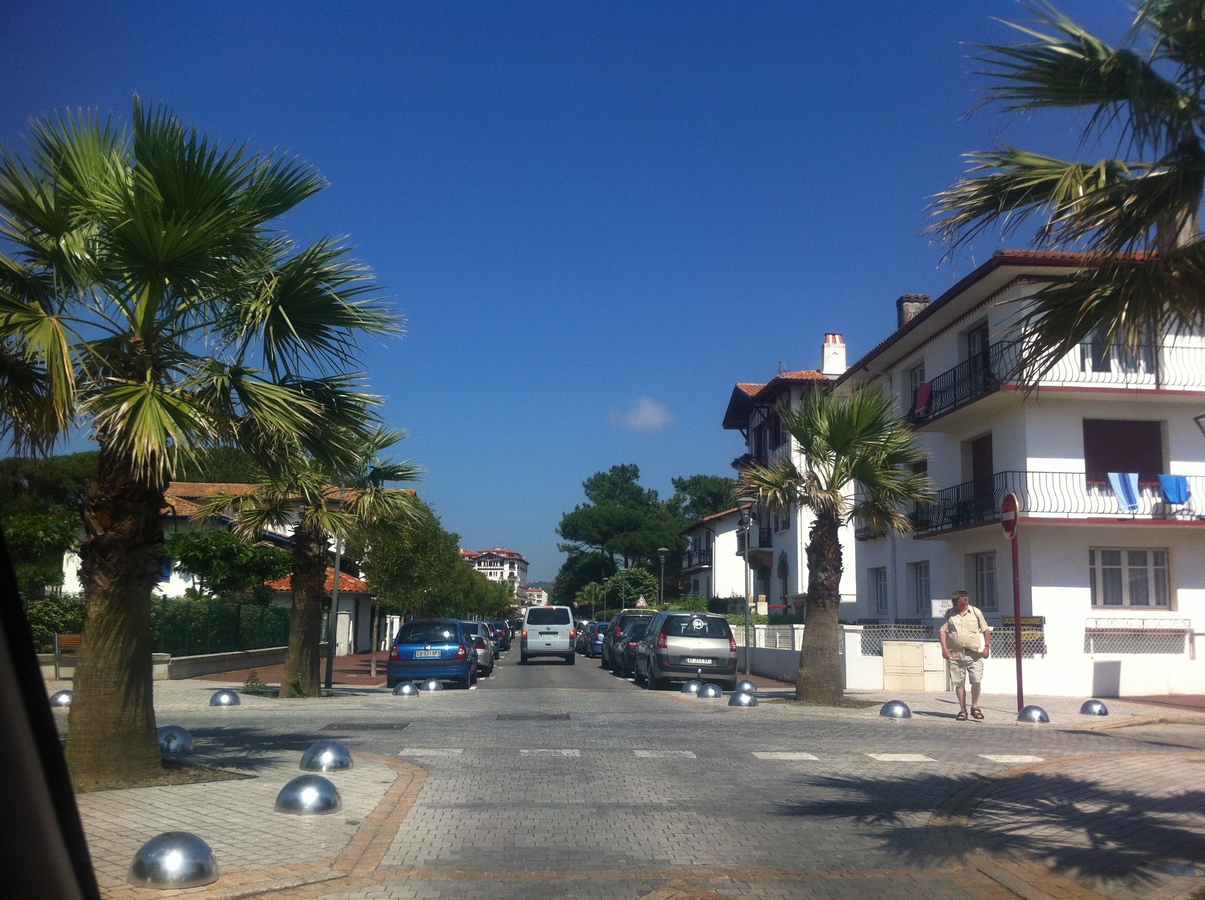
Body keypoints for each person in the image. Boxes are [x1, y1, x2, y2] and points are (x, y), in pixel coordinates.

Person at [938, 589, 991, 721]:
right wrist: (944, 648)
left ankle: (975, 707)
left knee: (976, 680)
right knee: (959, 683)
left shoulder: (975, 612)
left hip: (974, 655)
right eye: (953, 600)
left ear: (965, 600)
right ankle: (963, 710)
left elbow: (985, 630)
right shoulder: (949, 613)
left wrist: (987, 647)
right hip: (956, 655)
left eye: (956, 600)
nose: (953, 602)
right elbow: (943, 631)